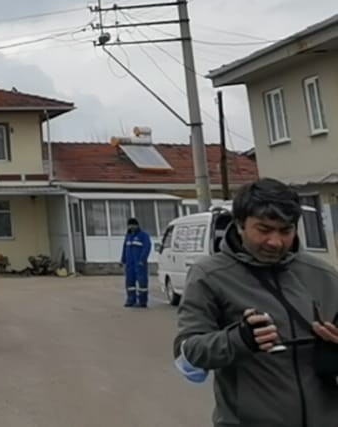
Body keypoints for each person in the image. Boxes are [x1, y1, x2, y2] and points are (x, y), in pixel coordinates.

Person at [174, 178, 338, 426]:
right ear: (239, 225)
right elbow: (188, 355)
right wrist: (237, 340)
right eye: (264, 230)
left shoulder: (323, 275)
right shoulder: (209, 275)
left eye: (286, 230)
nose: (276, 242)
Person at [122, 217, 152, 308]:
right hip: (129, 264)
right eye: (129, 225)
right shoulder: (128, 236)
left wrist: (142, 260)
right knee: (130, 283)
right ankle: (131, 300)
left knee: (142, 283)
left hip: (139, 264)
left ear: (137, 225)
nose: (131, 227)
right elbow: (124, 249)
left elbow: (147, 248)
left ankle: (142, 301)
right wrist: (123, 260)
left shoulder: (143, 236)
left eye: (132, 225)